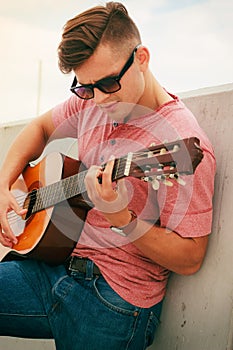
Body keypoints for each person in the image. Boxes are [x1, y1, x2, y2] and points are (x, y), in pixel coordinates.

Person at [0, 2, 215, 349]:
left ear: (141, 58)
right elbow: (40, 127)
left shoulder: (177, 141)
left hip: (113, 300)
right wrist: (3, 183)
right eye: (84, 87)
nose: (97, 99)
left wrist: (124, 219)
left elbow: (191, 257)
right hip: (53, 266)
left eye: (108, 83)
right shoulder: (92, 100)